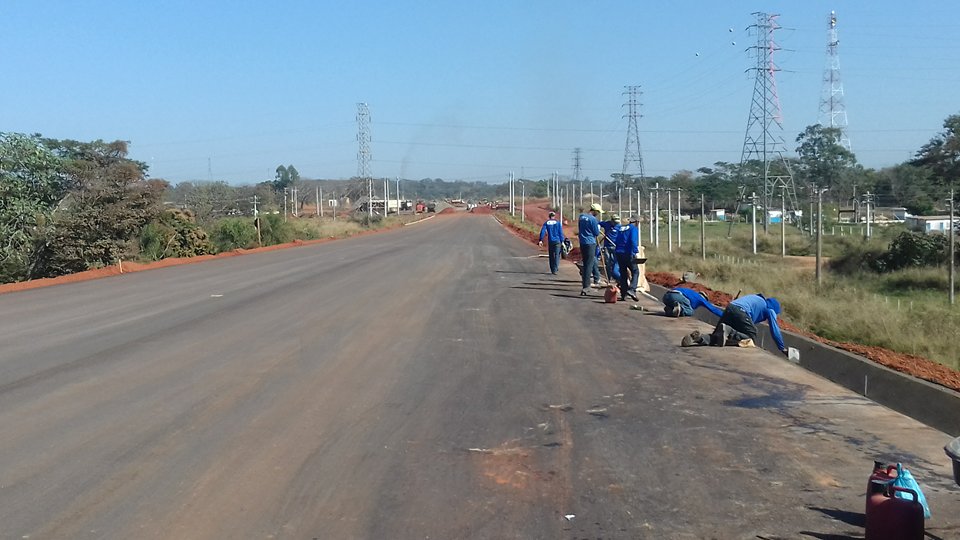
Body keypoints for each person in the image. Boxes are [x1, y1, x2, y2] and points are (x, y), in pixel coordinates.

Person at [684, 294, 787, 354]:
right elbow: (775, 329)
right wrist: (782, 348)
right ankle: (729, 331)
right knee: (752, 335)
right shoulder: (770, 308)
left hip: (730, 308)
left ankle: (698, 338)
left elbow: (744, 323)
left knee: (717, 337)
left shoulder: (756, 299)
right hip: (741, 311)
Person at [577, 203, 603, 296]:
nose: (598, 214)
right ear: (595, 211)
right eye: (598, 212)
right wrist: (597, 228)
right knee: (589, 265)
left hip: (582, 242)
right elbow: (596, 232)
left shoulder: (581, 217)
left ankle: (585, 285)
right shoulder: (593, 219)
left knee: (585, 264)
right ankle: (586, 287)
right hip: (590, 243)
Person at [614, 216, 640, 301]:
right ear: (636, 222)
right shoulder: (633, 229)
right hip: (628, 253)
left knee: (623, 273)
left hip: (619, 252)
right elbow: (633, 240)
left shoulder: (621, 228)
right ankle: (632, 289)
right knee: (635, 271)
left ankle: (623, 294)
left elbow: (616, 240)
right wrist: (635, 252)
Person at [598, 214, 621, 283]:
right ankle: (608, 278)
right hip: (607, 247)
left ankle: (617, 277)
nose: (615, 224)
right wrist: (598, 227)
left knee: (615, 263)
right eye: (614, 222)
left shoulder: (619, 227)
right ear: (612, 221)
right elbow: (598, 223)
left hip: (615, 247)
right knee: (607, 262)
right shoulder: (607, 224)